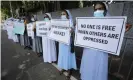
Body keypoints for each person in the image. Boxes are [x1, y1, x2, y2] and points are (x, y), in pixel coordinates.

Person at [79, 2, 132, 80]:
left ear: (105, 10)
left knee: (98, 68)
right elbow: (82, 32)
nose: (97, 11)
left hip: (101, 52)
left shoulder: (111, 22)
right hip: (88, 51)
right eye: (96, 9)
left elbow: (115, 33)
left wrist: (123, 29)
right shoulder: (90, 21)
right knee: (88, 67)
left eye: (100, 9)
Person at [57, 10, 77, 79]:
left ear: (67, 15)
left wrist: (72, 29)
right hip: (61, 42)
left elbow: (72, 29)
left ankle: (69, 70)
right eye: (61, 14)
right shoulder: (60, 22)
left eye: (64, 14)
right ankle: (64, 67)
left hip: (68, 42)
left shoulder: (70, 21)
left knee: (67, 55)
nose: (62, 15)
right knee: (62, 55)